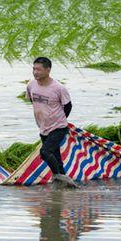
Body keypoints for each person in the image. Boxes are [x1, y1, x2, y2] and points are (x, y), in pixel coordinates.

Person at [25, 57, 78, 188]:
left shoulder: (59, 88)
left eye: (38, 69)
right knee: (56, 158)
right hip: (43, 127)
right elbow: (33, 102)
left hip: (58, 127)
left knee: (45, 152)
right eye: (33, 69)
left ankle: (57, 176)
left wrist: (59, 119)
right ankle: (66, 186)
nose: (35, 72)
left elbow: (68, 106)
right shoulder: (31, 85)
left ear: (48, 70)